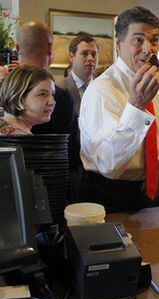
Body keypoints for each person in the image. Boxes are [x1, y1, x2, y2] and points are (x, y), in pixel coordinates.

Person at [79, 6, 159, 212]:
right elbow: (108, 163)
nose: (148, 49)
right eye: (138, 40)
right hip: (108, 196)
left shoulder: (152, 88)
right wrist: (136, 106)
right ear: (118, 45)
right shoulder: (101, 90)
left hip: (145, 193)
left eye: (154, 40)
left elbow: (145, 142)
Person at [16, 21, 81, 202]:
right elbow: (72, 158)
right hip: (51, 196)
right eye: (42, 95)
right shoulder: (63, 99)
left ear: (17, 47)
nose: (50, 102)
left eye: (50, 94)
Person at [0, 65, 55, 135]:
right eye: (42, 94)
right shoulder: (16, 137)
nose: (52, 102)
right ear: (17, 97)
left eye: (53, 94)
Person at [59, 32, 99, 115]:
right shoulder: (60, 89)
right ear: (71, 56)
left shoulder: (103, 88)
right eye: (84, 54)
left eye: (94, 54)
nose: (90, 58)